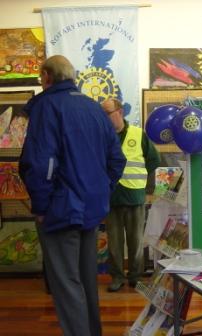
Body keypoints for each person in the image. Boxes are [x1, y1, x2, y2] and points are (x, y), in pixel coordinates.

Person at [19, 55, 126, 336]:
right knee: (85, 280)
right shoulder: (93, 108)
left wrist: (41, 206)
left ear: (46, 76)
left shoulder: (46, 106)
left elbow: (41, 164)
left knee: (66, 284)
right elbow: (117, 160)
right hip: (90, 208)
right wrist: (101, 190)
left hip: (59, 209)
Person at [101, 97, 161, 292]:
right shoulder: (101, 136)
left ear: (120, 112)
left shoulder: (138, 134)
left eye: (107, 113)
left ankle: (136, 276)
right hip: (111, 196)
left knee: (136, 241)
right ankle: (117, 277)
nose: (104, 117)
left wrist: (141, 178)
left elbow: (153, 160)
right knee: (114, 243)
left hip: (134, 196)